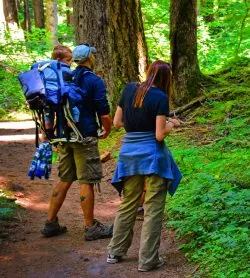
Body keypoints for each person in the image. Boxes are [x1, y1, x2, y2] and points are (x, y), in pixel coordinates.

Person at [106, 60, 182, 271]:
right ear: (167, 79)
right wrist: (172, 125)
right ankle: (148, 261)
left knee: (128, 203)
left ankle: (115, 251)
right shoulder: (160, 97)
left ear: (149, 73)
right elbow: (159, 135)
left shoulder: (130, 89)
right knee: (153, 209)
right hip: (152, 158)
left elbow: (117, 123)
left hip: (129, 154)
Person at [41, 43, 113, 241]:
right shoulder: (94, 81)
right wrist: (107, 130)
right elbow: (104, 113)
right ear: (90, 58)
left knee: (64, 179)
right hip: (85, 137)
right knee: (86, 181)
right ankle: (91, 228)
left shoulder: (65, 78)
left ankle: (50, 223)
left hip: (65, 135)